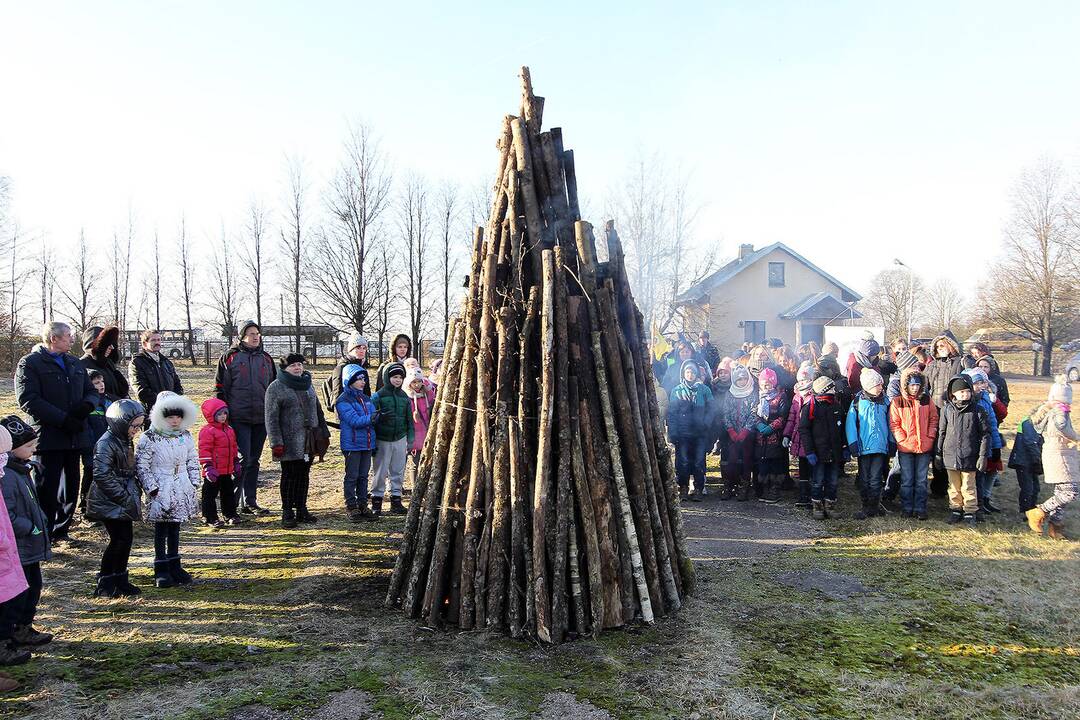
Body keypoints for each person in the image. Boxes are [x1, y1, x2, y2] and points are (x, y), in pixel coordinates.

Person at [15, 321, 99, 542]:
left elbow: (92, 392)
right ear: (54, 338)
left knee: (70, 486)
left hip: (75, 436)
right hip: (48, 437)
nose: (72, 339)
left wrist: (86, 407)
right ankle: (43, 533)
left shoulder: (74, 363)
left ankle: (62, 530)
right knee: (46, 488)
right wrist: (63, 420)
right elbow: (28, 400)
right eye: (69, 336)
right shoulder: (31, 364)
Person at [136, 391, 201, 588]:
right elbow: (141, 465)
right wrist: (152, 488)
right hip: (161, 485)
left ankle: (175, 563)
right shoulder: (150, 437)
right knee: (161, 528)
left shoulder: (185, 435)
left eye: (178, 416)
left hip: (181, 485)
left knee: (175, 526)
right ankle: (161, 567)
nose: (174, 421)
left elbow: (192, 458)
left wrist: (194, 481)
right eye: (170, 416)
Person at [0, 422, 53, 651]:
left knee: (34, 587)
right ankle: (9, 635)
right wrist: (29, 526)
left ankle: (24, 627)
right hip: (17, 547)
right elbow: (8, 515)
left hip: (29, 546)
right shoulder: (8, 477)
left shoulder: (22, 470)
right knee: (18, 595)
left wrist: (40, 519)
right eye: (30, 445)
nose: (34, 450)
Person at [84, 400, 145, 598]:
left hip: (121, 497)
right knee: (118, 540)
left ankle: (120, 578)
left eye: (139, 426)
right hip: (109, 499)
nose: (137, 430)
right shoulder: (106, 442)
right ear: (121, 423)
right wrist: (123, 496)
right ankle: (105, 581)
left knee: (125, 539)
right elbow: (101, 474)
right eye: (134, 426)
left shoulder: (124, 439)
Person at [215, 320, 275, 516]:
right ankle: (231, 503)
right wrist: (223, 416)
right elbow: (220, 389)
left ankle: (250, 501)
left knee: (254, 460)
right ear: (241, 336)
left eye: (257, 333)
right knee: (243, 459)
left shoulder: (266, 358)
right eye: (250, 333)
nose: (255, 336)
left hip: (261, 418)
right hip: (238, 418)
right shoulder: (230, 358)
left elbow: (274, 388)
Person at [265, 354, 329, 528]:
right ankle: (287, 511)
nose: (298, 368)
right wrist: (276, 443)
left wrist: (323, 432)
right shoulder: (275, 387)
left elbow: (318, 410)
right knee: (289, 476)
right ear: (285, 368)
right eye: (293, 365)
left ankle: (301, 508)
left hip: (309, 440)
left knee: (303, 475)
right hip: (288, 442)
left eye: (300, 364)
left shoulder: (307, 384)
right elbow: (271, 418)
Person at [1025, 378, 1078, 540]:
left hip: (1058, 452)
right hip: (1059, 454)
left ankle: (1055, 527)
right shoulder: (1059, 411)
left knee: (1062, 491)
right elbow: (1062, 426)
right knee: (1071, 492)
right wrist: (1076, 437)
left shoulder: (1052, 410)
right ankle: (1038, 512)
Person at [935, 375, 990, 527]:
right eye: (961, 392)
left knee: (968, 485)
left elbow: (985, 434)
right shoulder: (947, 410)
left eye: (967, 391)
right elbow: (942, 432)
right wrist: (938, 453)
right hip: (950, 455)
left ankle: (970, 510)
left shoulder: (978, 411)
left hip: (970, 455)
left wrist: (982, 456)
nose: (965, 395)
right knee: (953, 486)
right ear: (953, 394)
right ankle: (955, 509)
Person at [888, 368, 938, 520]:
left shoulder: (927, 401)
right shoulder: (898, 402)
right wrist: (902, 439)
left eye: (917, 384)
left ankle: (920, 508)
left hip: (924, 446)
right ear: (905, 385)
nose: (915, 388)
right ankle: (907, 507)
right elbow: (894, 423)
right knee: (907, 479)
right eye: (912, 385)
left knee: (921, 480)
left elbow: (933, 419)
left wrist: (930, 437)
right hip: (906, 447)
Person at [0, 426, 30, 672]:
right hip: (4, 551)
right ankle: (4, 644)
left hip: (7, 552)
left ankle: (10, 638)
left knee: (12, 598)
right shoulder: (8, 478)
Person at [924, 331, 966, 497]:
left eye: (943, 345)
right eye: (938, 346)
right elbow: (924, 385)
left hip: (953, 411)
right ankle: (938, 486)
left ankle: (956, 487)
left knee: (951, 447)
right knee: (937, 448)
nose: (940, 348)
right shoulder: (931, 365)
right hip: (934, 411)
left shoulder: (959, 363)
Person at [846, 368, 892, 519]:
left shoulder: (886, 402)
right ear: (868, 387)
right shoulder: (857, 402)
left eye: (881, 385)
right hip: (863, 447)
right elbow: (851, 424)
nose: (881, 387)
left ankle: (874, 504)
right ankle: (865, 504)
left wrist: (891, 442)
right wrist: (853, 444)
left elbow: (891, 423)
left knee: (876, 477)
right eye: (877, 385)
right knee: (865, 477)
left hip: (880, 447)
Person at [799, 375, 846, 520]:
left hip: (834, 452)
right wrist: (809, 451)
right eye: (832, 388)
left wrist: (844, 447)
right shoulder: (810, 408)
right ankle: (817, 505)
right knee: (818, 480)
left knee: (833, 480)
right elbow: (804, 430)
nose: (835, 390)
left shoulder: (837, 406)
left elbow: (842, 429)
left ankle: (830, 505)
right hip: (818, 452)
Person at [370, 362, 414, 516]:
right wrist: (373, 441)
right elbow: (372, 420)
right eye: (394, 377)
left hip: (400, 438)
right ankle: (377, 501)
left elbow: (409, 419)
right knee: (380, 471)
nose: (397, 380)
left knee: (398, 470)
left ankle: (396, 500)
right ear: (387, 378)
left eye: (400, 377)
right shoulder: (378, 396)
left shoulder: (405, 397)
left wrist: (410, 438)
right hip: (382, 439)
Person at [667, 360, 714, 501]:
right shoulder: (677, 391)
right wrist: (673, 432)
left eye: (693, 372)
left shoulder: (704, 390)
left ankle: (699, 488)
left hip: (700, 433)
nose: (690, 374)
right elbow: (672, 413)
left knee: (699, 461)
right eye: (688, 372)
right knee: (683, 461)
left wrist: (706, 423)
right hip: (683, 433)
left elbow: (711, 409)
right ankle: (683, 488)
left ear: (697, 374)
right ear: (683, 373)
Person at [337, 365, 378, 522]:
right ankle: (351, 506)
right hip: (352, 445)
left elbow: (373, 415)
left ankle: (362, 505)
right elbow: (354, 420)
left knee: (363, 476)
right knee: (352, 476)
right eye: (359, 379)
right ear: (350, 380)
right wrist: (372, 419)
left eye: (364, 379)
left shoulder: (366, 398)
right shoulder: (343, 400)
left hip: (367, 444)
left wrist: (380, 417)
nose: (363, 382)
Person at [197, 398, 240, 528]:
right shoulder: (207, 431)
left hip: (226, 469)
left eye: (225, 413)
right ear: (211, 416)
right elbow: (204, 450)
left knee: (228, 493)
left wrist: (235, 461)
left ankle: (230, 514)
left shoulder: (229, 430)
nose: (223, 417)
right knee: (209, 495)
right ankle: (209, 516)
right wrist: (208, 466)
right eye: (219, 414)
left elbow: (233, 447)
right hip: (213, 471)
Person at [718, 364, 757, 501]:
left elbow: (754, 413)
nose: (742, 382)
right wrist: (731, 430)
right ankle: (729, 486)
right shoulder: (730, 393)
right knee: (731, 460)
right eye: (739, 379)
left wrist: (746, 430)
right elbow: (726, 413)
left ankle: (744, 486)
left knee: (746, 460)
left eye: (744, 379)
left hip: (748, 434)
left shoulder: (753, 393)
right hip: (732, 434)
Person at [128, 329, 184, 423]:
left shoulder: (166, 362)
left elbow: (177, 384)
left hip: (171, 413)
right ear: (145, 344)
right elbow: (141, 390)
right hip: (152, 413)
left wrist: (175, 402)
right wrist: (162, 403)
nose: (157, 343)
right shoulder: (137, 363)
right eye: (153, 340)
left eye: (159, 340)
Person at [79, 369, 114, 515]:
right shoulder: (86, 404)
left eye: (102, 381)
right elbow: (84, 429)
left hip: (108, 446)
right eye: (96, 383)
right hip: (91, 446)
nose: (101, 385)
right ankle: (85, 505)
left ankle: (103, 504)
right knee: (90, 474)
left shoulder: (108, 401)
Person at [754, 368, 789, 503]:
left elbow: (783, 416)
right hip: (760, 437)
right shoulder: (758, 396)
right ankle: (764, 488)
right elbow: (754, 412)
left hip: (775, 436)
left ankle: (775, 489)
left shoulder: (781, 397)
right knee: (763, 463)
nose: (765, 386)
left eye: (768, 383)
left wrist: (771, 427)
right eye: (763, 383)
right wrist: (758, 425)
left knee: (775, 463)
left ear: (773, 383)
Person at [783, 362, 815, 508]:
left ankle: (813, 494)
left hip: (811, 438)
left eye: (806, 380)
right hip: (799, 437)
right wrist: (787, 435)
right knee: (802, 466)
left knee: (812, 467)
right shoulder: (796, 397)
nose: (803, 383)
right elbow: (791, 418)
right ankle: (803, 495)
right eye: (801, 380)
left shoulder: (815, 396)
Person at [323, 334, 373, 428]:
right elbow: (337, 395)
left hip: (362, 412)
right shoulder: (341, 368)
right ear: (350, 350)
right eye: (358, 348)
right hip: (348, 414)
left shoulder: (362, 367)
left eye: (364, 348)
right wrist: (341, 419)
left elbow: (366, 393)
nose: (361, 351)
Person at [79, 326, 129, 399]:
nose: (111, 347)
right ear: (97, 345)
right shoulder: (82, 365)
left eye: (112, 344)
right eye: (106, 344)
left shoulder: (108, 364)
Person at [1008, 414, 1044, 516]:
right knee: (1028, 488)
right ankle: (1026, 511)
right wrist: (1038, 460)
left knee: (1035, 487)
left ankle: (1031, 509)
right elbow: (1030, 442)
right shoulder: (1029, 423)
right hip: (1023, 460)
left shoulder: (1035, 423)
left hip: (1030, 459)